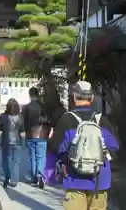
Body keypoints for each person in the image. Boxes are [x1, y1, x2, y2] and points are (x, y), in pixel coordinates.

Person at [49, 81, 119, 210]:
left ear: (74, 97)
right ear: (91, 98)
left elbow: (55, 147)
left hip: (74, 178)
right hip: (99, 180)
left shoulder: (66, 119)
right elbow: (114, 146)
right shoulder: (101, 119)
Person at [22, 86, 50, 188]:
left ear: (30, 95)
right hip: (42, 135)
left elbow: (22, 122)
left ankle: (34, 178)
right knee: (41, 157)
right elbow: (48, 121)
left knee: (32, 157)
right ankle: (40, 175)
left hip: (30, 135)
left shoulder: (25, 108)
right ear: (38, 95)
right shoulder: (44, 107)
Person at [0, 98, 24, 188]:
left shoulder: (3, 116)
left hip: (6, 141)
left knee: (5, 160)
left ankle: (7, 176)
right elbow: (23, 129)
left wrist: (3, 126)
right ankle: (14, 181)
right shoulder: (20, 117)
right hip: (17, 141)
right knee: (15, 161)